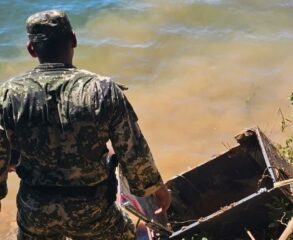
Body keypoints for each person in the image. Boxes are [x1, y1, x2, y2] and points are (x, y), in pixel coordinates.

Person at [0, 9, 171, 239]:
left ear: (32, 49)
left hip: (36, 211)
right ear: (74, 40)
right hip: (93, 212)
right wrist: (156, 189)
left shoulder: (9, 94)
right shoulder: (102, 90)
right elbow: (134, 153)